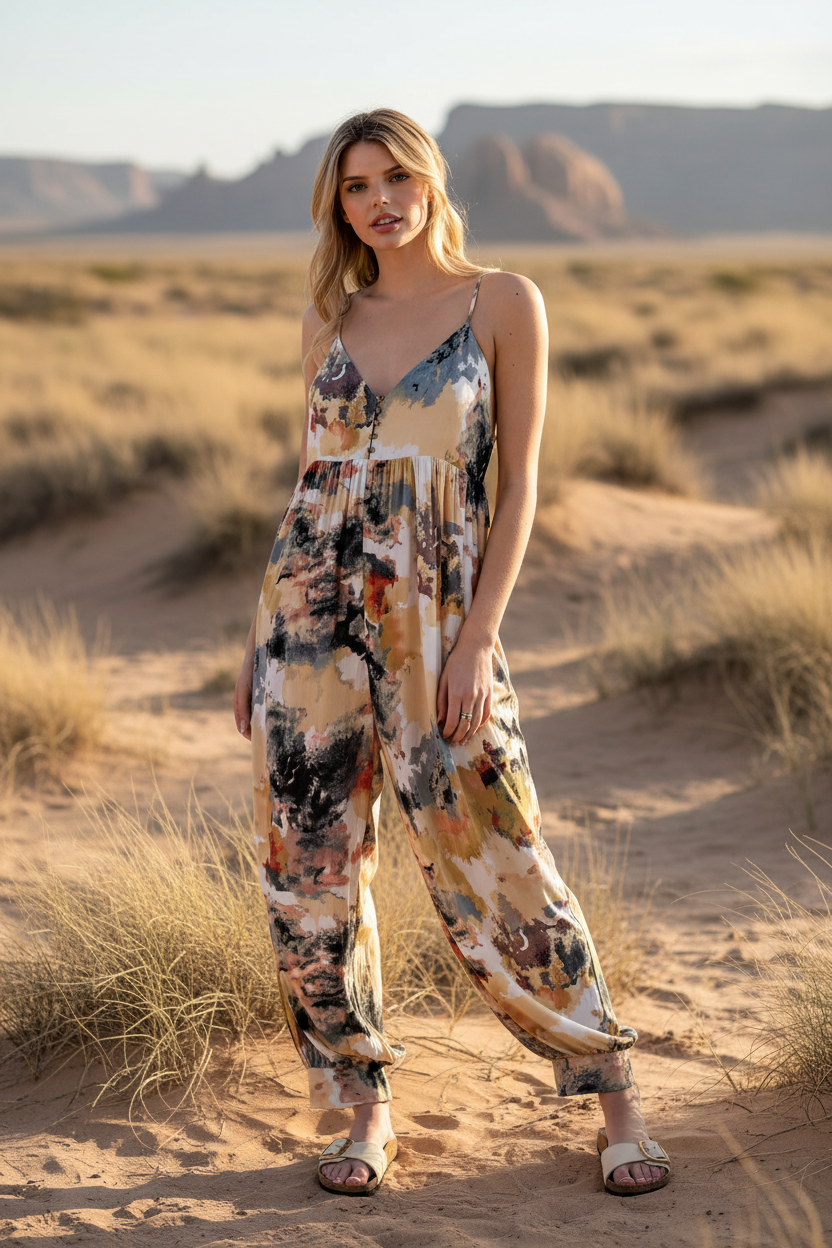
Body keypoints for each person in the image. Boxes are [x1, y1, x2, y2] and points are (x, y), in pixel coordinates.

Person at [234, 108, 670, 1199]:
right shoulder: (328, 318)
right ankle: (363, 1109)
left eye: (394, 176)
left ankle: (612, 1091)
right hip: (307, 628)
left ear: (429, 179)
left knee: (500, 852)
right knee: (311, 873)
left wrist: (477, 640)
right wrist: (258, 640)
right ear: (337, 206)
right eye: (353, 187)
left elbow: (517, 487)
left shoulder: (501, 303)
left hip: (437, 631)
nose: (378, 200)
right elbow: (307, 487)